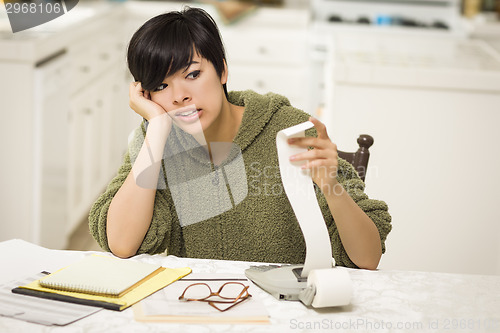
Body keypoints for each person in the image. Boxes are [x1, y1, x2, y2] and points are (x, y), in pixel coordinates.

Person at [89, 7, 392, 269]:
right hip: (202, 305)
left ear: (221, 70)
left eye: (192, 74)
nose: (180, 96)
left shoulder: (289, 129)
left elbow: (368, 258)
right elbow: (122, 244)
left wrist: (330, 184)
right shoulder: (160, 142)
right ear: (146, 95)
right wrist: (155, 129)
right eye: (161, 85)